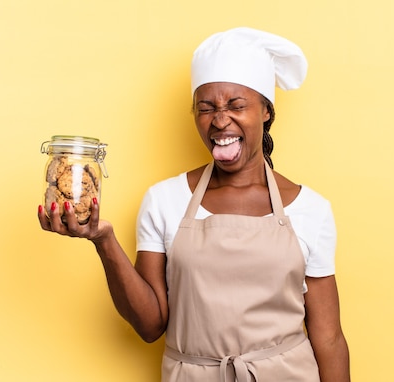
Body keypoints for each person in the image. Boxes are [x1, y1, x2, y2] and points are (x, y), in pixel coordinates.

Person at [38, 26, 350, 382]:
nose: (219, 120)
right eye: (206, 108)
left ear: (265, 110)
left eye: (236, 106)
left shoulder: (310, 209)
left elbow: (328, 337)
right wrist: (103, 240)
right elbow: (150, 326)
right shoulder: (164, 200)